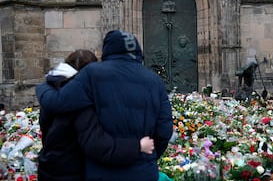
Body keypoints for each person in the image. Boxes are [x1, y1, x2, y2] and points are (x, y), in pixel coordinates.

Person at [36, 30, 173, 181]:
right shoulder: (155, 82)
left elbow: (57, 103)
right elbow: (164, 131)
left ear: (107, 50)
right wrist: (145, 154)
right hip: (144, 171)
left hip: (101, 171)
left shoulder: (92, 74)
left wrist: (43, 86)